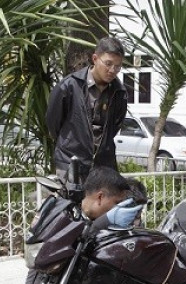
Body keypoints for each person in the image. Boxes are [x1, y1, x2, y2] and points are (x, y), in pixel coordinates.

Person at [47, 37, 128, 183]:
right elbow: (53, 124)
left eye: (118, 66)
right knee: (70, 204)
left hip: (104, 166)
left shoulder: (119, 92)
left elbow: (115, 127)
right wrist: (71, 142)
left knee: (102, 205)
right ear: (95, 58)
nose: (112, 70)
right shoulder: (69, 86)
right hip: (70, 163)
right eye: (108, 64)